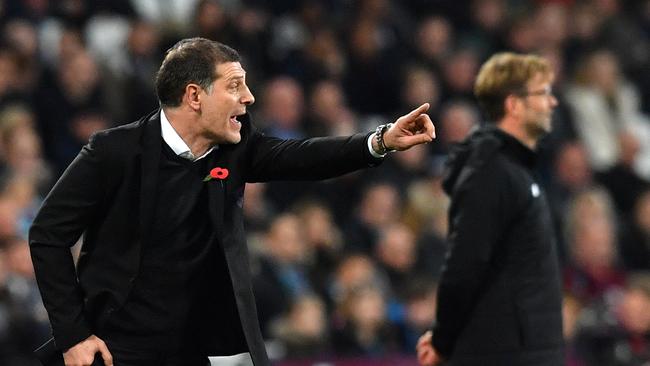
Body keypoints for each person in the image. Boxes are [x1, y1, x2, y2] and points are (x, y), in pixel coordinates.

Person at [29, 37, 435, 366]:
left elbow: (303, 156)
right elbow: (47, 234)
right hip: (115, 348)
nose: (250, 98)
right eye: (235, 85)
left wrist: (379, 141)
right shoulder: (113, 152)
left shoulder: (235, 147)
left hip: (187, 351)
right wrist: (74, 336)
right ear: (194, 96)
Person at [416, 52, 563, 365]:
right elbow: (464, 263)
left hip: (525, 348)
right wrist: (444, 339)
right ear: (514, 104)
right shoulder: (492, 173)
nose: (552, 103)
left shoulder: (516, 170)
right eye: (543, 94)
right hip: (503, 353)